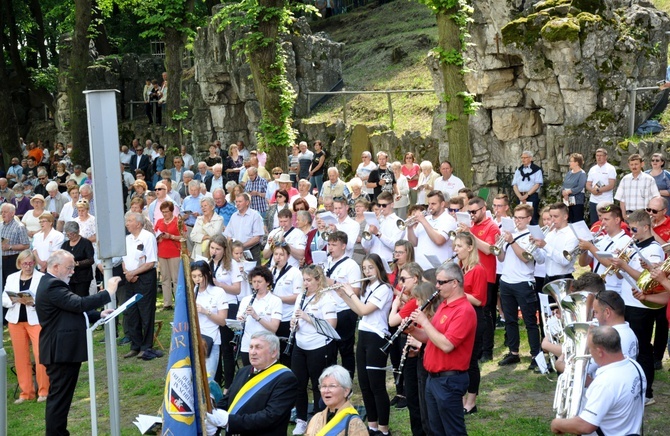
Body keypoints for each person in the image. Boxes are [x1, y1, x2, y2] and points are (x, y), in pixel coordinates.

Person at [36, 250, 120, 436]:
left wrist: (98, 314)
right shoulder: (52, 285)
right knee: (59, 400)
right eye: (69, 267)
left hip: (62, 350)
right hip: (60, 351)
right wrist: (108, 292)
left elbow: (71, 310)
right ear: (55, 267)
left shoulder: (54, 283)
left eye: (73, 267)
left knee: (61, 399)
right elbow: (78, 304)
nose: (72, 271)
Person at [409, 262, 476, 436]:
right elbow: (431, 338)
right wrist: (413, 330)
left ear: (455, 283)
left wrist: (424, 322)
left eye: (441, 282)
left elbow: (447, 345)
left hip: (449, 381)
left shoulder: (464, 310)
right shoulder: (445, 305)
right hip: (434, 379)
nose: (436, 286)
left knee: (453, 431)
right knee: (436, 430)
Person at [608, 209, 664, 405]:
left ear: (646, 227)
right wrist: (617, 266)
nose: (631, 233)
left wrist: (624, 266)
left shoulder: (654, 249)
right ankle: (632, 387)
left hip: (642, 305)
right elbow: (621, 275)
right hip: (628, 302)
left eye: (634, 229)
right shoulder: (635, 246)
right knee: (629, 347)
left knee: (642, 348)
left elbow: (650, 281)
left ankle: (647, 392)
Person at [336, 254, 394, 436]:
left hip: (377, 337)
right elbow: (359, 312)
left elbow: (364, 309)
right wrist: (342, 295)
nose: (367, 271)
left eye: (371, 268)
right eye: (365, 268)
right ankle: (373, 425)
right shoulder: (369, 287)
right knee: (365, 385)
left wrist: (351, 292)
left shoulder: (384, 289)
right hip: (364, 335)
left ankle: (384, 430)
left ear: (379, 268)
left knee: (377, 386)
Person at [550, 326, 646, 436]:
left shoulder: (605, 382)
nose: (589, 354)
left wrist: (557, 423)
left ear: (600, 351)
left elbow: (586, 426)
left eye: (589, 349)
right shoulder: (635, 366)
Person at [206, 331, 298, 436]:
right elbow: (227, 400)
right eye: (251, 347)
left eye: (258, 347)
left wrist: (229, 421)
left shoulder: (285, 378)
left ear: (274, 352)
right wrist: (212, 414)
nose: (253, 352)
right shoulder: (243, 371)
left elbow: (270, 417)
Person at [290, 265, 338, 435]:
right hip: (300, 345)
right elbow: (296, 319)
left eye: (309, 280)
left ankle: (320, 419)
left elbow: (331, 325)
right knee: (299, 384)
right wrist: (293, 325)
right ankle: (301, 420)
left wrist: (307, 317)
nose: (305, 283)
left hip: (318, 347)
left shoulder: (326, 298)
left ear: (318, 281)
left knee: (319, 385)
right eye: (304, 280)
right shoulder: (301, 297)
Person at [496, 204, 545, 368]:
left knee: (530, 321)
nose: (517, 221)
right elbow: (502, 258)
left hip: (524, 282)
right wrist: (499, 247)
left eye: (521, 218)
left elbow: (525, 258)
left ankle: (535, 355)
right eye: (515, 218)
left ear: (529, 218)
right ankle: (513, 352)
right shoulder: (511, 234)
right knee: (510, 320)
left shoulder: (532, 236)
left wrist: (512, 241)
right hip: (506, 281)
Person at [2, 250, 48, 403]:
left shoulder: (42, 277)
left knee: (40, 355)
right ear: (19, 264)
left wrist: (32, 301)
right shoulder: (11, 277)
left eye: (30, 263)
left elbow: (45, 299)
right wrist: (14, 300)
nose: (28, 266)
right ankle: (26, 392)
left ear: (34, 263)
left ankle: (44, 391)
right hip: (15, 321)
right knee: (21, 357)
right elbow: (4, 299)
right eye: (24, 263)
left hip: (35, 320)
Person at [452, 233, 487, 414]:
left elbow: (480, 300)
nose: (455, 249)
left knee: (471, 360)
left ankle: (471, 401)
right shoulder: (459, 268)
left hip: (474, 317)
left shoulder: (478, 269)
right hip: (459, 317)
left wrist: (456, 292)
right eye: (455, 246)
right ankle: (462, 397)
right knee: (460, 360)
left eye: (459, 246)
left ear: (470, 247)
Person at [122, 212, 161, 360]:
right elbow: (123, 259)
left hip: (144, 277)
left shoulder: (147, 237)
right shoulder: (127, 239)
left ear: (138, 223)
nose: (127, 223)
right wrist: (127, 273)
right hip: (130, 277)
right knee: (132, 312)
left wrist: (134, 273)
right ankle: (135, 345)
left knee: (146, 312)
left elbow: (151, 262)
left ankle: (146, 346)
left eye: (130, 220)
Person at [323, 231, 362, 378]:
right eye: (329, 244)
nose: (330, 248)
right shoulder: (325, 261)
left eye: (334, 245)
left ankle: (348, 380)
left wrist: (332, 282)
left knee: (345, 349)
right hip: (327, 310)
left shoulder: (351, 265)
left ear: (344, 246)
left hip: (344, 310)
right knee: (329, 349)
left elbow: (356, 290)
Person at [208, 235, 243, 390]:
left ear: (224, 250)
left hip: (229, 306)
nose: (214, 251)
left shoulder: (232, 264)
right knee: (213, 346)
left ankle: (228, 386)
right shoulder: (207, 264)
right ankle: (214, 383)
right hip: (212, 307)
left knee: (226, 348)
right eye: (212, 248)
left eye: (217, 249)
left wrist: (219, 284)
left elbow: (237, 289)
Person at [406, 190, 457, 282]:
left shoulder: (449, 220)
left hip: (438, 270)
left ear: (442, 204)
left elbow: (439, 240)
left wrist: (424, 221)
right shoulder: (426, 218)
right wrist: (409, 228)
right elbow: (414, 242)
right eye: (429, 203)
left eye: (433, 204)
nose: (430, 207)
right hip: (420, 268)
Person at [304, 365, 369, 436]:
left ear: (346, 391)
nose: (326, 391)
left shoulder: (354, 423)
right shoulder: (316, 418)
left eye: (332, 386)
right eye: (323, 386)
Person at [236, 266, 282, 366]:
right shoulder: (245, 300)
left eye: (259, 282)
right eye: (254, 282)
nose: (256, 285)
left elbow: (274, 328)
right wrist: (239, 322)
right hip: (247, 345)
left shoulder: (275, 301)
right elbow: (238, 322)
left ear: (268, 282)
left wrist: (257, 317)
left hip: (266, 347)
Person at [191, 261, 229, 377]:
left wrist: (205, 311)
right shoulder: (193, 292)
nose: (197, 279)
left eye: (200, 276)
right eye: (194, 276)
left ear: (207, 274)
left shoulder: (218, 292)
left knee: (208, 378)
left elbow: (222, 321)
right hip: (195, 339)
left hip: (211, 340)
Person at [361, 191, 404, 264]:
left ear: (392, 205)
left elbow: (395, 246)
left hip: (389, 262)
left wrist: (378, 234)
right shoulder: (373, 220)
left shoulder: (398, 222)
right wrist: (369, 233)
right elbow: (365, 246)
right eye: (379, 205)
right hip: (373, 261)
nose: (381, 208)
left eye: (384, 205)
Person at [155, 201, 184, 309]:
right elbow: (155, 234)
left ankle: (178, 302)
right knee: (165, 278)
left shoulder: (178, 221)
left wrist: (171, 236)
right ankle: (167, 303)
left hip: (174, 252)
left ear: (171, 211)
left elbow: (183, 237)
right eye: (163, 212)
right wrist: (158, 237)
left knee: (175, 278)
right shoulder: (159, 221)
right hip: (162, 252)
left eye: (166, 212)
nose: (165, 214)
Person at [615, 154, 660, 221]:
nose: (634, 166)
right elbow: (622, 199)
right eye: (632, 164)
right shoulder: (625, 179)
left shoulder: (649, 179)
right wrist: (624, 215)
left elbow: (656, 198)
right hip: (629, 215)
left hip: (645, 214)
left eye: (636, 164)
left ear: (642, 164)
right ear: (629, 165)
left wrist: (651, 214)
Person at [60, 221, 96, 298]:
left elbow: (91, 260)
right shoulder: (65, 245)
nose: (70, 237)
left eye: (72, 234)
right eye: (68, 235)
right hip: (69, 277)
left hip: (83, 277)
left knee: (81, 297)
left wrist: (77, 263)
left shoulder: (86, 243)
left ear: (78, 231)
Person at [1, 203, 30, 286]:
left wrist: (10, 247)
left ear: (13, 213)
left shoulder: (19, 227)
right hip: (1, 260)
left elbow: (26, 245)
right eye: (2, 212)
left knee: (12, 284)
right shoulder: (0, 226)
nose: (3, 214)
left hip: (13, 260)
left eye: (5, 212)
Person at [512, 150, 543, 224]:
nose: (523, 159)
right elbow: (514, 184)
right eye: (522, 158)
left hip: (531, 196)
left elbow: (537, 184)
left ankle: (534, 234)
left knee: (532, 216)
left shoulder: (537, 170)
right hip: (520, 196)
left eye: (525, 158)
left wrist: (526, 195)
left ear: (530, 158)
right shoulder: (518, 170)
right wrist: (520, 196)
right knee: (520, 215)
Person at [561, 152, 587, 223]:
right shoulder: (569, 173)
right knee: (569, 219)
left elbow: (580, 187)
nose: (569, 163)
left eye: (571, 161)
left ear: (577, 163)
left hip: (577, 201)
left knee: (577, 220)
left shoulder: (582, 174)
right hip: (567, 200)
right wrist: (563, 192)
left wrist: (568, 192)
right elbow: (564, 184)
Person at [645, 152, 670, 216]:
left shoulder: (667, 175)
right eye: (652, 160)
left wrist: (656, 191)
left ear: (662, 162)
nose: (654, 162)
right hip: (648, 208)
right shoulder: (645, 174)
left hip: (664, 208)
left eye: (657, 160)